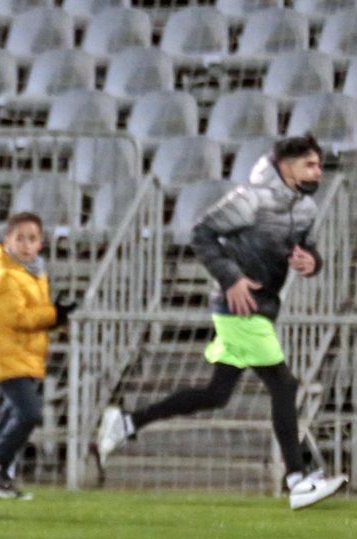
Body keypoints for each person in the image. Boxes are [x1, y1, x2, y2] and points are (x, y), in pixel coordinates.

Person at [98, 134, 347, 510]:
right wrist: (231, 279)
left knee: (217, 394)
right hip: (240, 306)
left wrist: (312, 262)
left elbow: (306, 249)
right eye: (309, 164)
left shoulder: (306, 208)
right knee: (284, 385)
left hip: (262, 306)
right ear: (285, 166)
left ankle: (127, 422)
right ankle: (297, 479)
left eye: (318, 165)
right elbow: (201, 234)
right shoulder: (250, 199)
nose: (317, 172)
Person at [0, 212, 74, 500]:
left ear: (41, 243)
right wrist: (54, 315)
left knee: (10, 419)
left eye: (32, 239)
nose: (26, 245)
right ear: (7, 241)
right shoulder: (5, 276)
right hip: (9, 358)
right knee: (30, 413)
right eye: (20, 238)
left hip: (26, 357)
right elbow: (18, 318)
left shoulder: (34, 274)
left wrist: (55, 319)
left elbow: (31, 315)